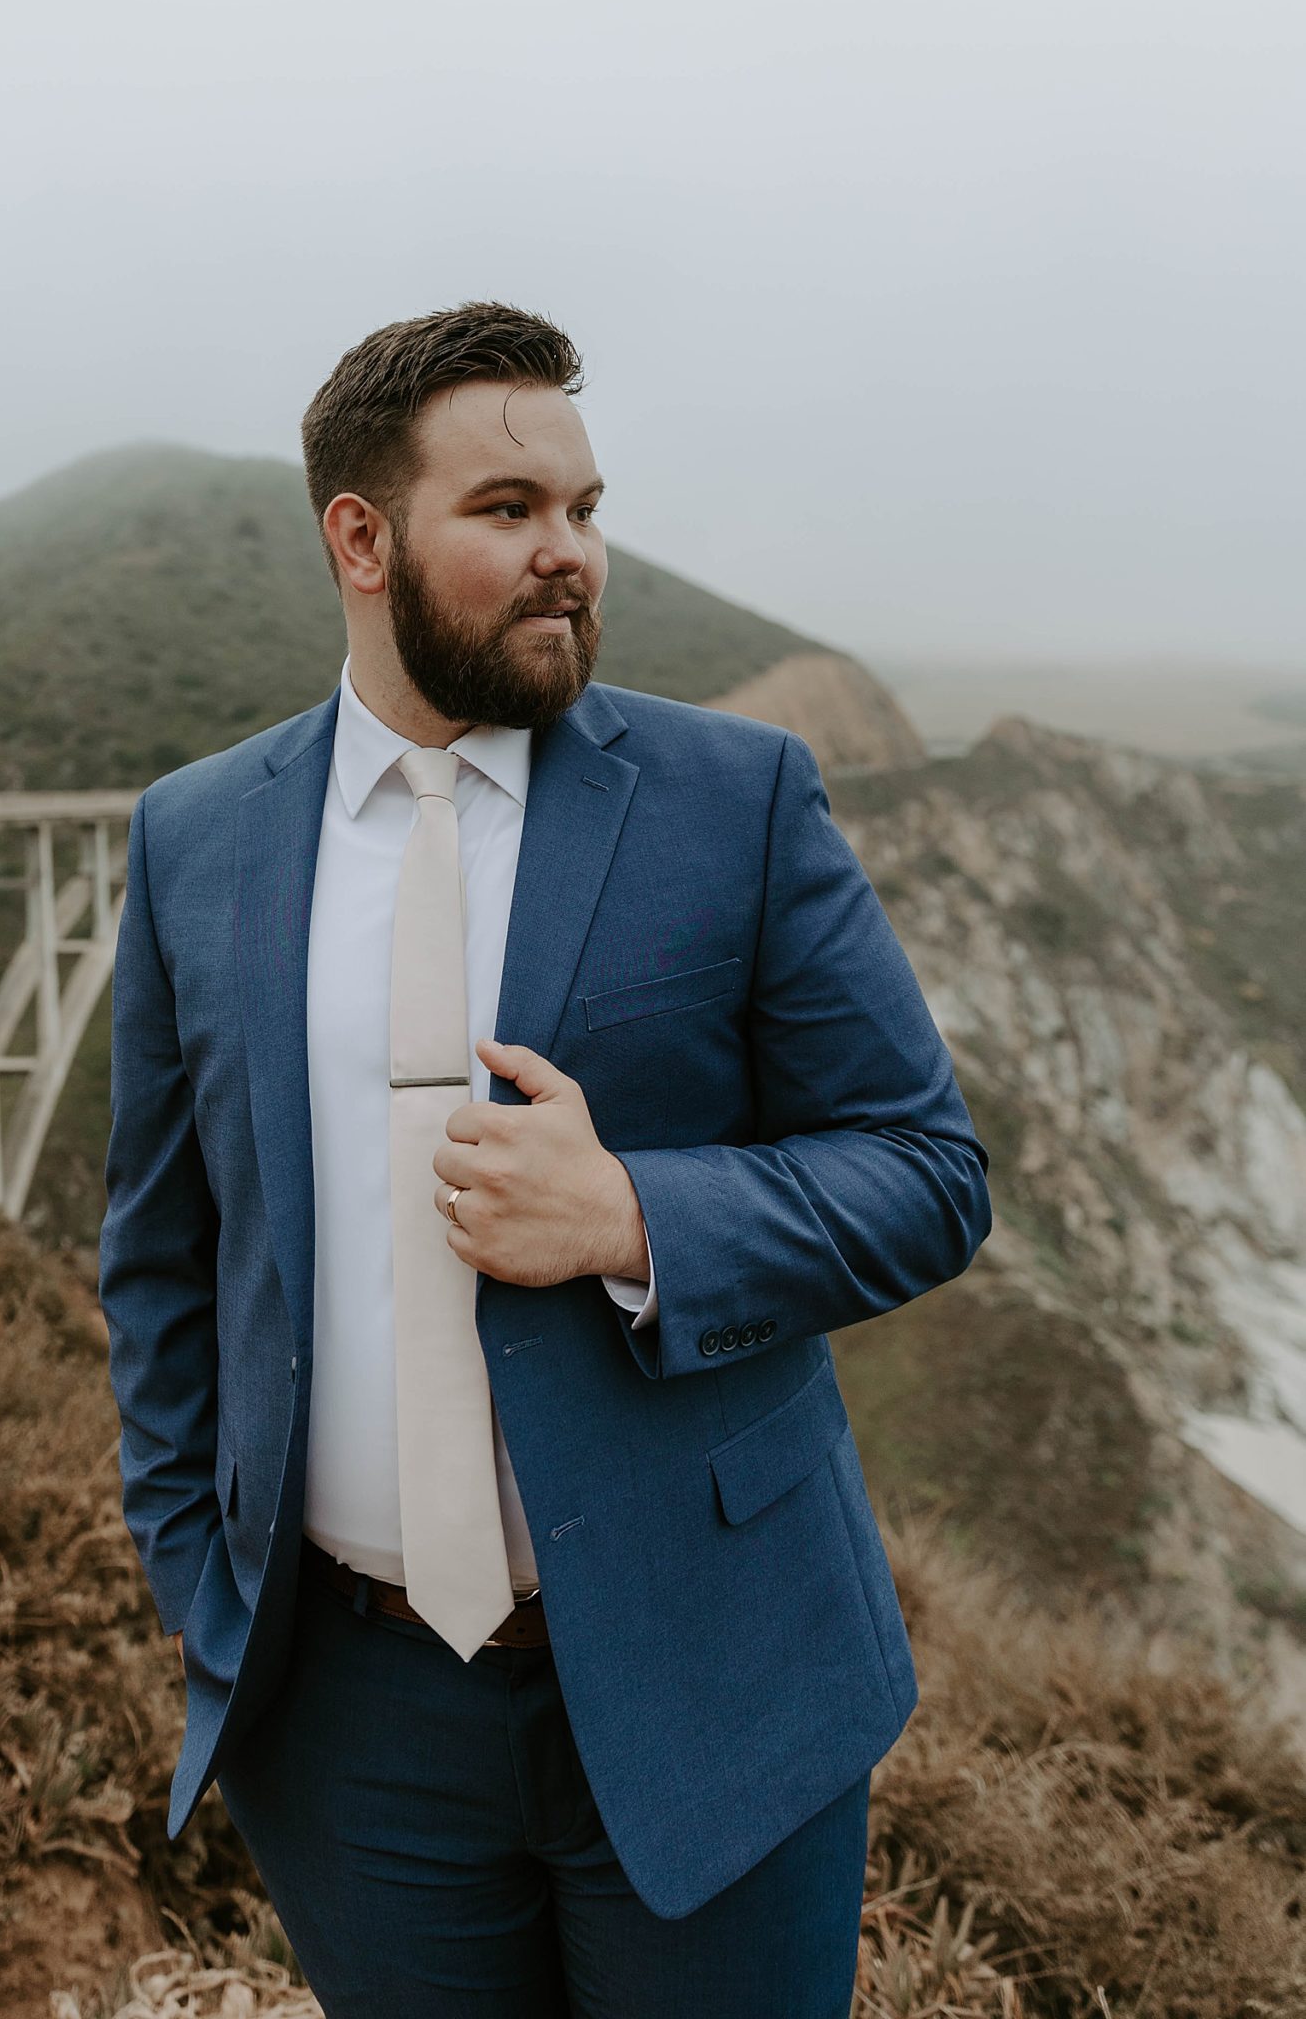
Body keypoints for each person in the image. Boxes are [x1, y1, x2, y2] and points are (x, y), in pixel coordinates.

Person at [99, 301, 990, 2017]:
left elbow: (926, 1171)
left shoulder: (737, 799)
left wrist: (636, 1213)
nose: (568, 554)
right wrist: (207, 1596)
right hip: (350, 1723)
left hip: (711, 1679)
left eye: (583, 510)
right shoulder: (194, 835)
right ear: (361, 539)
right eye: (508, 512)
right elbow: (163, 1254)